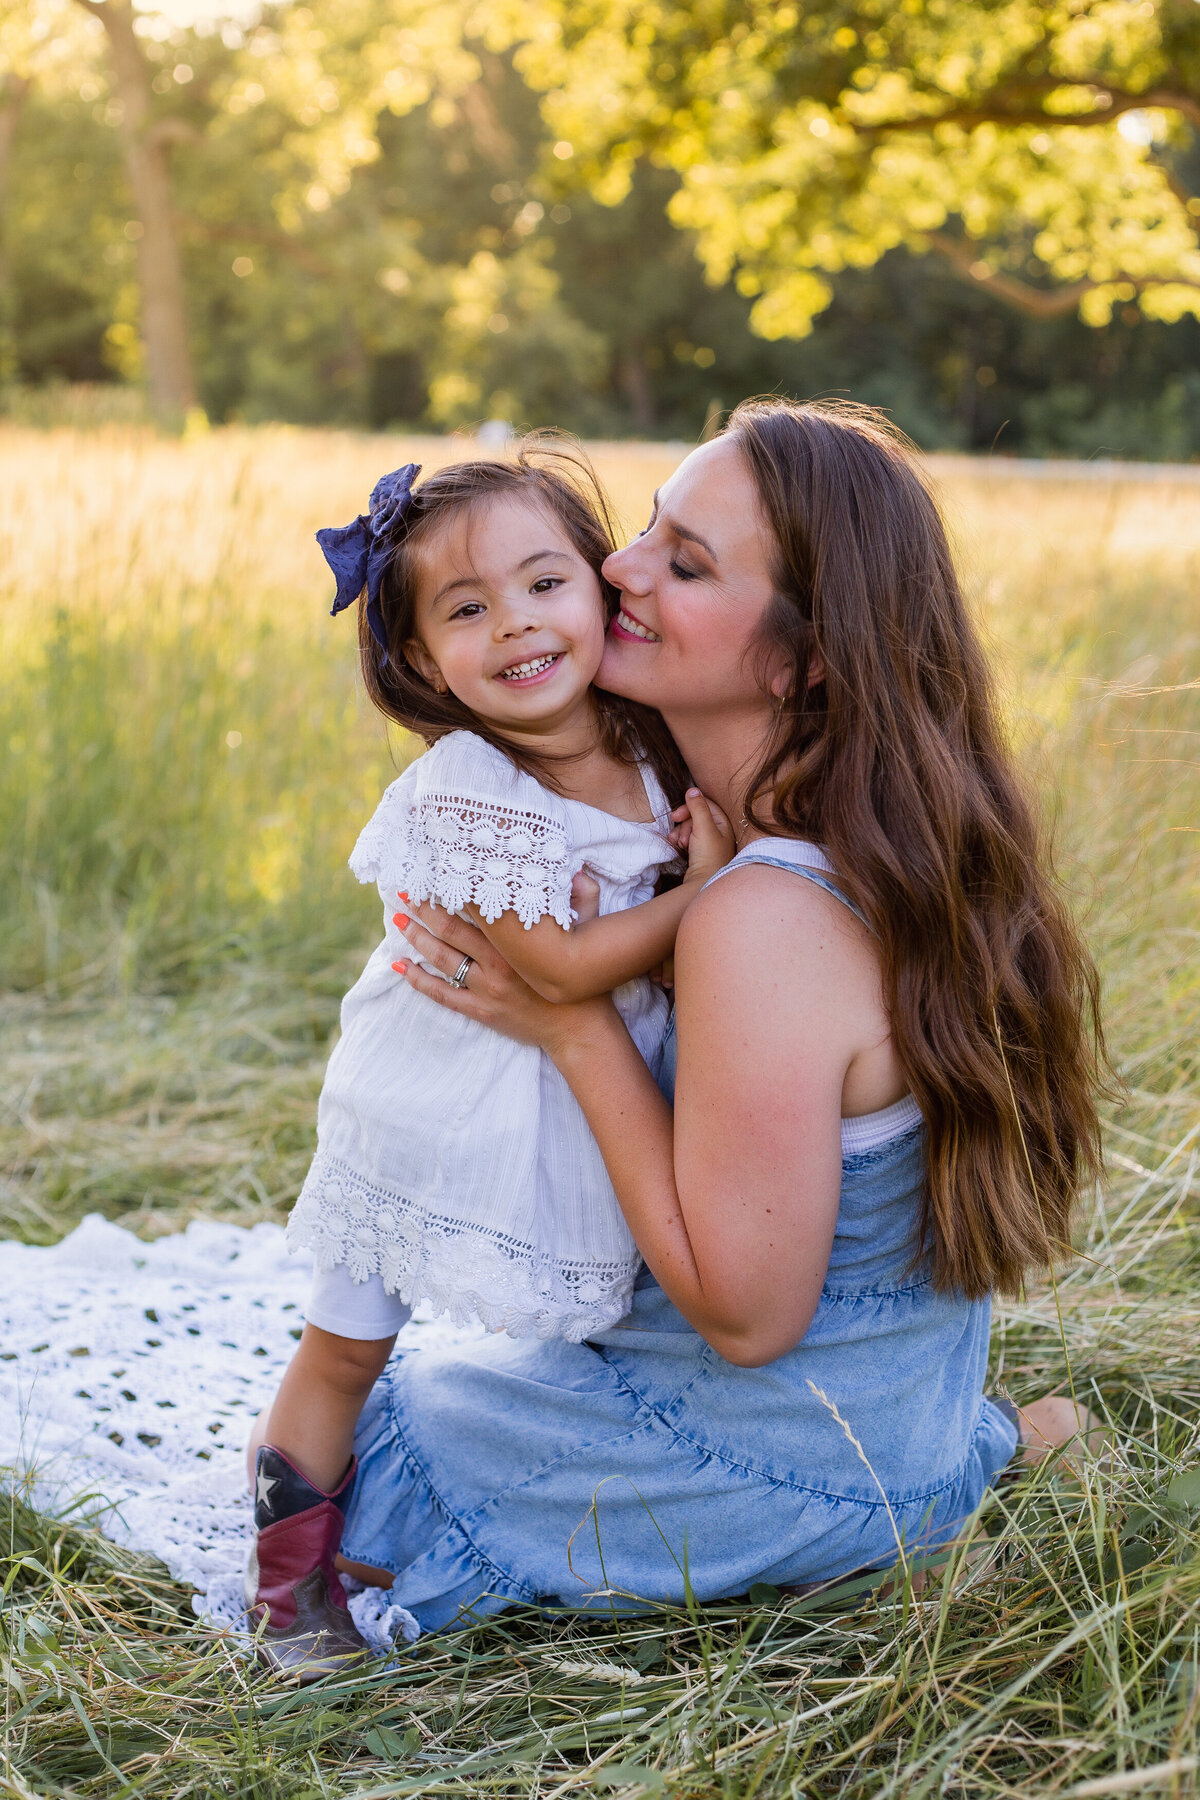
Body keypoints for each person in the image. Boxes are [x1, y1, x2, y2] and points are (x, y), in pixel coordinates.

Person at [255, 398, 1106, 1664]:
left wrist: (572, 1026)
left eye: (687, 563)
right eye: (650, 524)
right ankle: (975, 1449)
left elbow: (749, 1322)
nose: (617, 568)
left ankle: (914, 1494)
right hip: (886, 1417)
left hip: (764, 1471)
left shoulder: (760, 912)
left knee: (401, 1419)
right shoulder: (831, 834)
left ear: (805, 658)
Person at [245, 448, 734, 1676]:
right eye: (467, 610)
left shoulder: (650, 742)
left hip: (562, 1107)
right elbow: (563, 971)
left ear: (600, 590)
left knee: (583, 1316)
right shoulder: (469, 787)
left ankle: (460, 1505)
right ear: (418, 660)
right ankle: (285, 1580)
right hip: (431, 1109)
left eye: (543, 582)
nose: (517, 623)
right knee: (352, 1339)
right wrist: (719, 884)